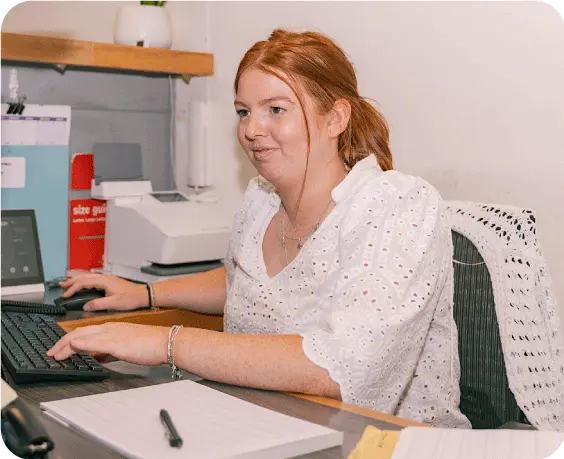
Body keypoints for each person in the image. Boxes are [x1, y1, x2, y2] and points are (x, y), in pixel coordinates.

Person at [48, 29, 470, 428]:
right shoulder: (262, 201)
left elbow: (338, 369)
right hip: (260, 428)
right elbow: (252, 284)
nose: (251, 129)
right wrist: (143, 293)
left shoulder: (396, 205)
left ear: (335, 117)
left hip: (380, 444)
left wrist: (166, 343)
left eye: (276, 109)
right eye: (243, 112)